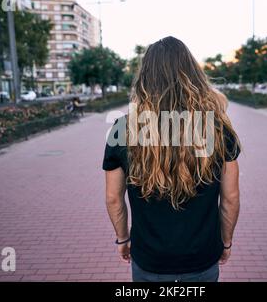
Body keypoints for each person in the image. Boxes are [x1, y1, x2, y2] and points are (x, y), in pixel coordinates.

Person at [102, 36, 241, 282]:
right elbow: (230, 198)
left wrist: (123, 239)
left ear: (145, 77)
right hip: (201, 257)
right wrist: (226, 242)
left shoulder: (122, 130)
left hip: (149, 259)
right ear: (193, 75)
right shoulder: (217, 129)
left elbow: (114, 198)